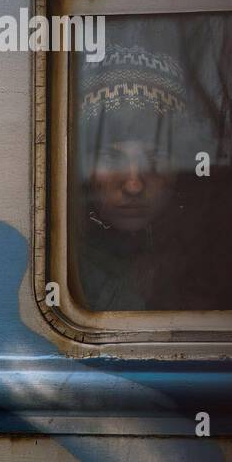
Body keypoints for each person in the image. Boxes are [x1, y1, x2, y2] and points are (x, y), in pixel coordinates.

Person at [74, 45, 204, 310]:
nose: (133, 184)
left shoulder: (214, 257)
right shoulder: (63, 261)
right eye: (111, 158)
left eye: (153, 159)